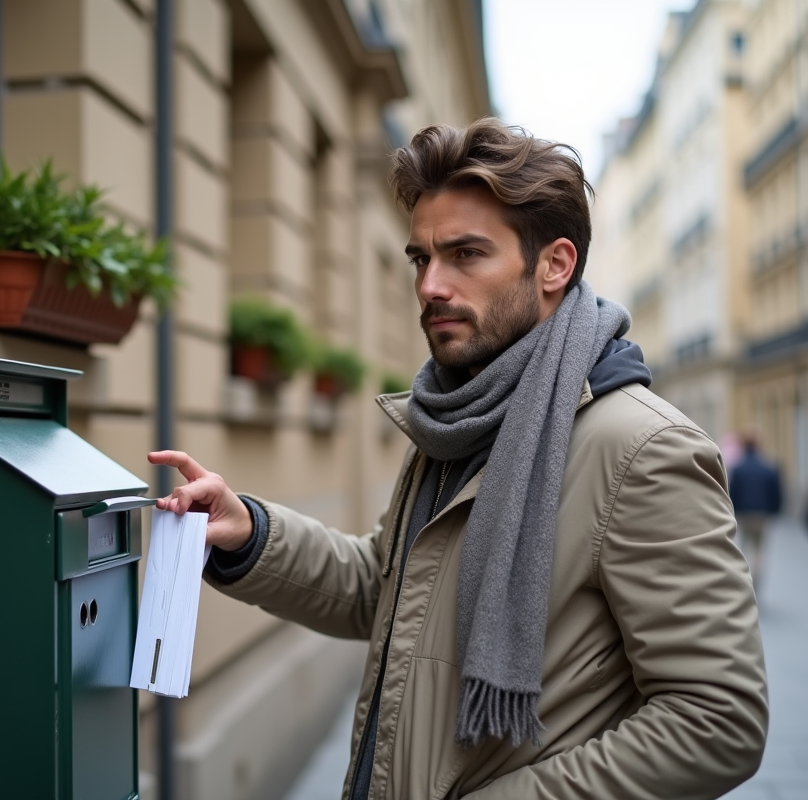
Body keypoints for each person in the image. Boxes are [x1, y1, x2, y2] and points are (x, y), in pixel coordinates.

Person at [151, 119, 767, 799]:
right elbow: (383, 590)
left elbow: (718, 718)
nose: (431, 286)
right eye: (422, 258)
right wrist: (253, 536)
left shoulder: (641, 450)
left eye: (466, 255)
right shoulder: (455, 420)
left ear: (555, 265)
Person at [728, 430, 783, 591]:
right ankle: (756, 582)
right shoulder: (769, 467)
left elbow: (733, 492)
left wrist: (734, 511)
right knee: (759, 550)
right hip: (762, 515)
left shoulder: (738, 468)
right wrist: (775, 510)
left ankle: (745, 579)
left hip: (744, 514)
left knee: (744, 548)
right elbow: (776, 492)